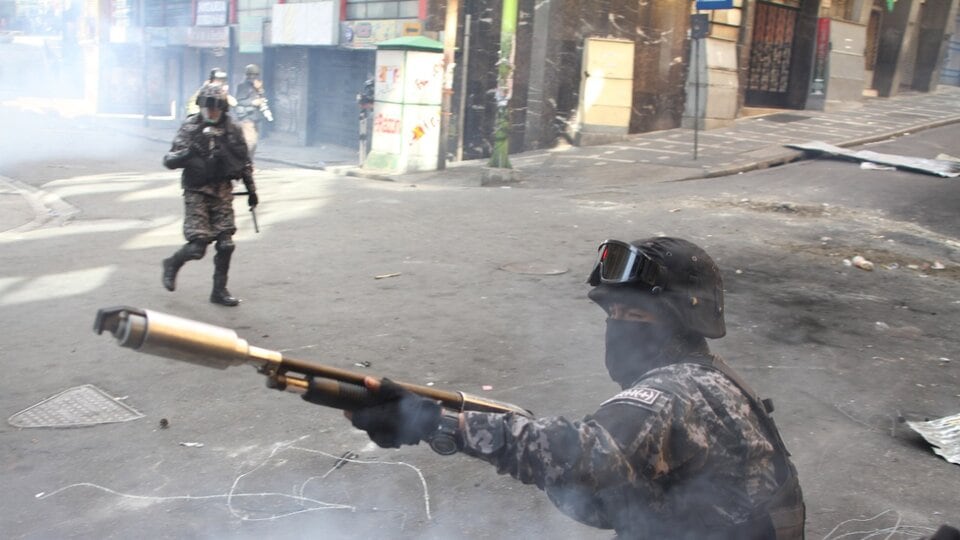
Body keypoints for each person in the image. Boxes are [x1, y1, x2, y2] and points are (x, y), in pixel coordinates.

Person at [345, 236, 806, 538]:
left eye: (637, 316)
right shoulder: (706, 374)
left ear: (681, 323)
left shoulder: (673, 394)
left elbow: (581, 456)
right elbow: (607, 493)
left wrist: (434, 422)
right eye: (615, 316)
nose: (620, 328)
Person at [161, 82, 258, 307]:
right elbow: (169, 160)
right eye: (208, 107)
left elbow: (243, 161)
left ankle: (219, 290)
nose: (212, 112)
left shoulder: (232, 129)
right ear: (202, 107)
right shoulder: (191, 127)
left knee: (226, 244)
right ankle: (172, 264)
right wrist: (189, 153)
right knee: (197, 247)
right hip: (197, 189)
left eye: (216, 108)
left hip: (222, 188)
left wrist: (252, 191)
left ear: (223, 108)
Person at [234, 63, 273, 157]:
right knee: (250, 142)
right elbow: (239, 102)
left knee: (253, 142)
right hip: (246, 118)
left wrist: (260, 91)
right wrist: (253, 102)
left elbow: (263, 99)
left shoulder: (257, 86)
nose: (253, 77)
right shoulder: (243, 86)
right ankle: (244, 160)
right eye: (251, 74)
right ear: (247, 75)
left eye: (255, 75)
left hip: (254, 119)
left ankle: (248, 161)